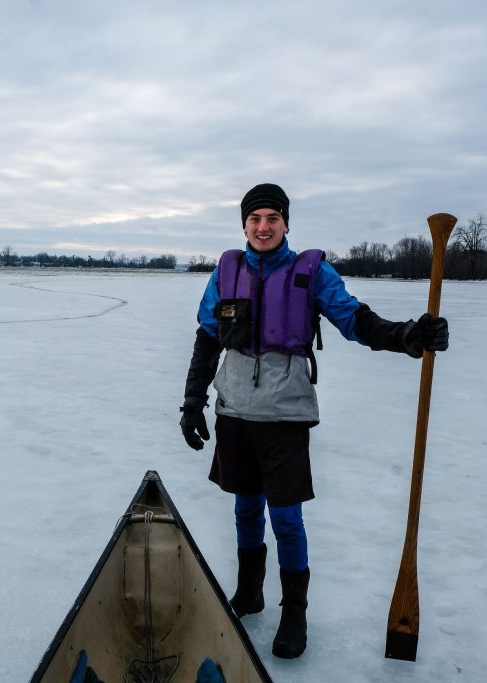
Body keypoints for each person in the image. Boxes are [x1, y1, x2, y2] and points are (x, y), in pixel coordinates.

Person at [179, 183, 449, 659]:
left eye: (273, 218)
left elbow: (356, 321)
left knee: (285, 517)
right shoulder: (226, 271)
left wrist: (407, 335)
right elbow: (206, 338)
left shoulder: (311, 272)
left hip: (285, 414)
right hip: (235, 412)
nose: (263, 227)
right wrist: (192, 402)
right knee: (244, 509)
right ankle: (250, 591)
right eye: (255, 219)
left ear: (286, 223)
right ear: (244, 224)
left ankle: (294, 613)